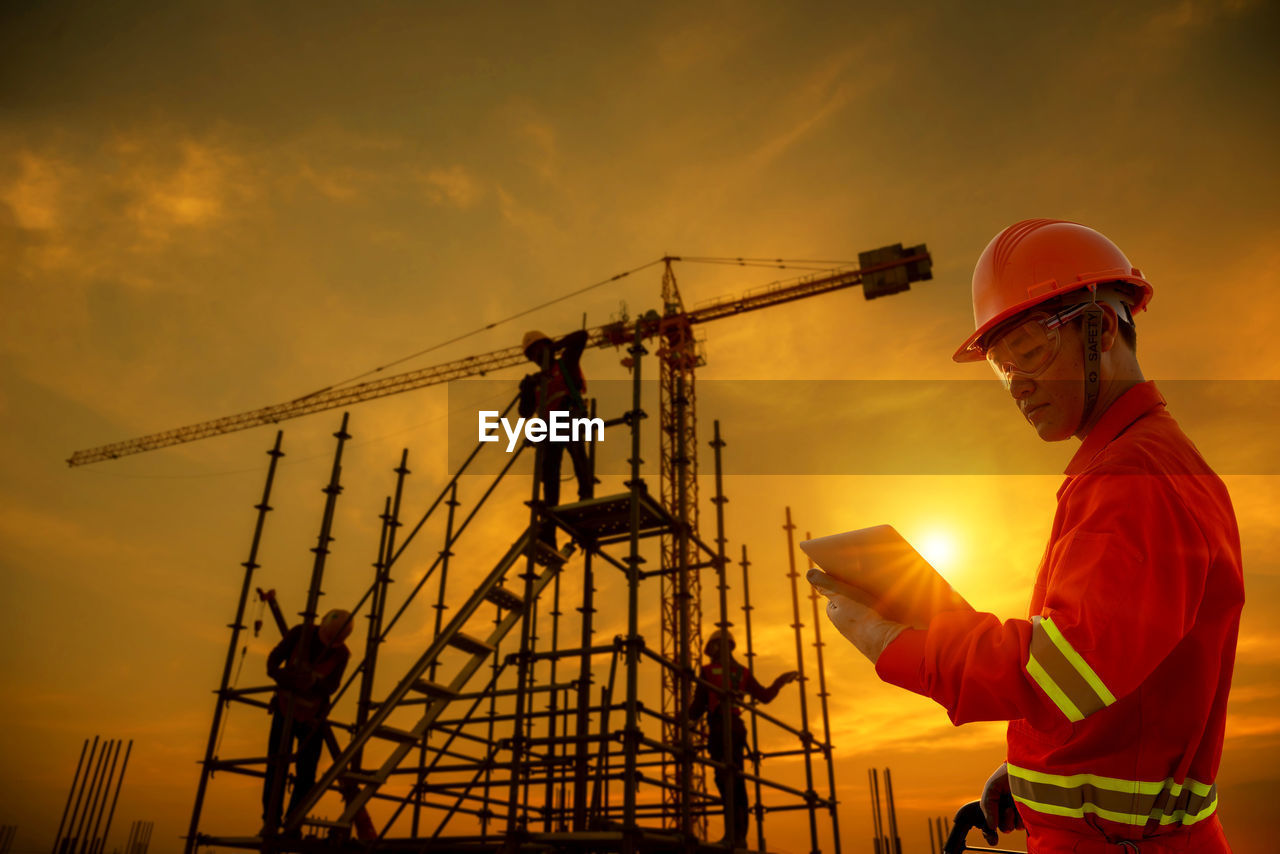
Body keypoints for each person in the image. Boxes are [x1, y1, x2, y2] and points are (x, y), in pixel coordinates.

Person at [809, 219, 1243, 854]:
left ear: (1104, 326)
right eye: (1001, 366)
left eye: (1032, 349)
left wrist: (894, 643)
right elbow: (1123, 677)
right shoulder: (1125, 462)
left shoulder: (1134, 478)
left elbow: (1062, 672)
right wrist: (1037, 772)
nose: (1019, 384)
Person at [688, 628, 799, 847]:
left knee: (724, 779)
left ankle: (733, 835)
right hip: (737, 729)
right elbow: (765, 696)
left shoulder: (708, 671)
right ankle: (739, 836)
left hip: (721, 728)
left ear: (716, 647)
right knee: (736, 780)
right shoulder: (742, 672)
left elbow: (698, 706)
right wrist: (780, 680)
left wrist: (687, 723)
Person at [261, 608, 354, 835]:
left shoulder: (341, 653)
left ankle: (294, 821)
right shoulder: (300, 633)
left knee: (307, 773)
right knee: (277, 766)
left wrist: (313, 683)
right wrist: (284, 677)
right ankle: (270, 821)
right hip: (285, 708)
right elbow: (273, 662)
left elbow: (332, 686)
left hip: (313, 717)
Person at [519, 329, 595, 547]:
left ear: (548, 347)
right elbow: (525, 412)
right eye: (533, 354)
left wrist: (557, 345)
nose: (537, 356)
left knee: (578, 456)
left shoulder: (565, 363)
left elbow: (581, 336)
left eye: (539, 350)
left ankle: (586, 502)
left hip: (569, 416)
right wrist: (525, 390)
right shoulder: (536, 381)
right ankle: (549, 528)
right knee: (549, 472)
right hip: (549, 427)